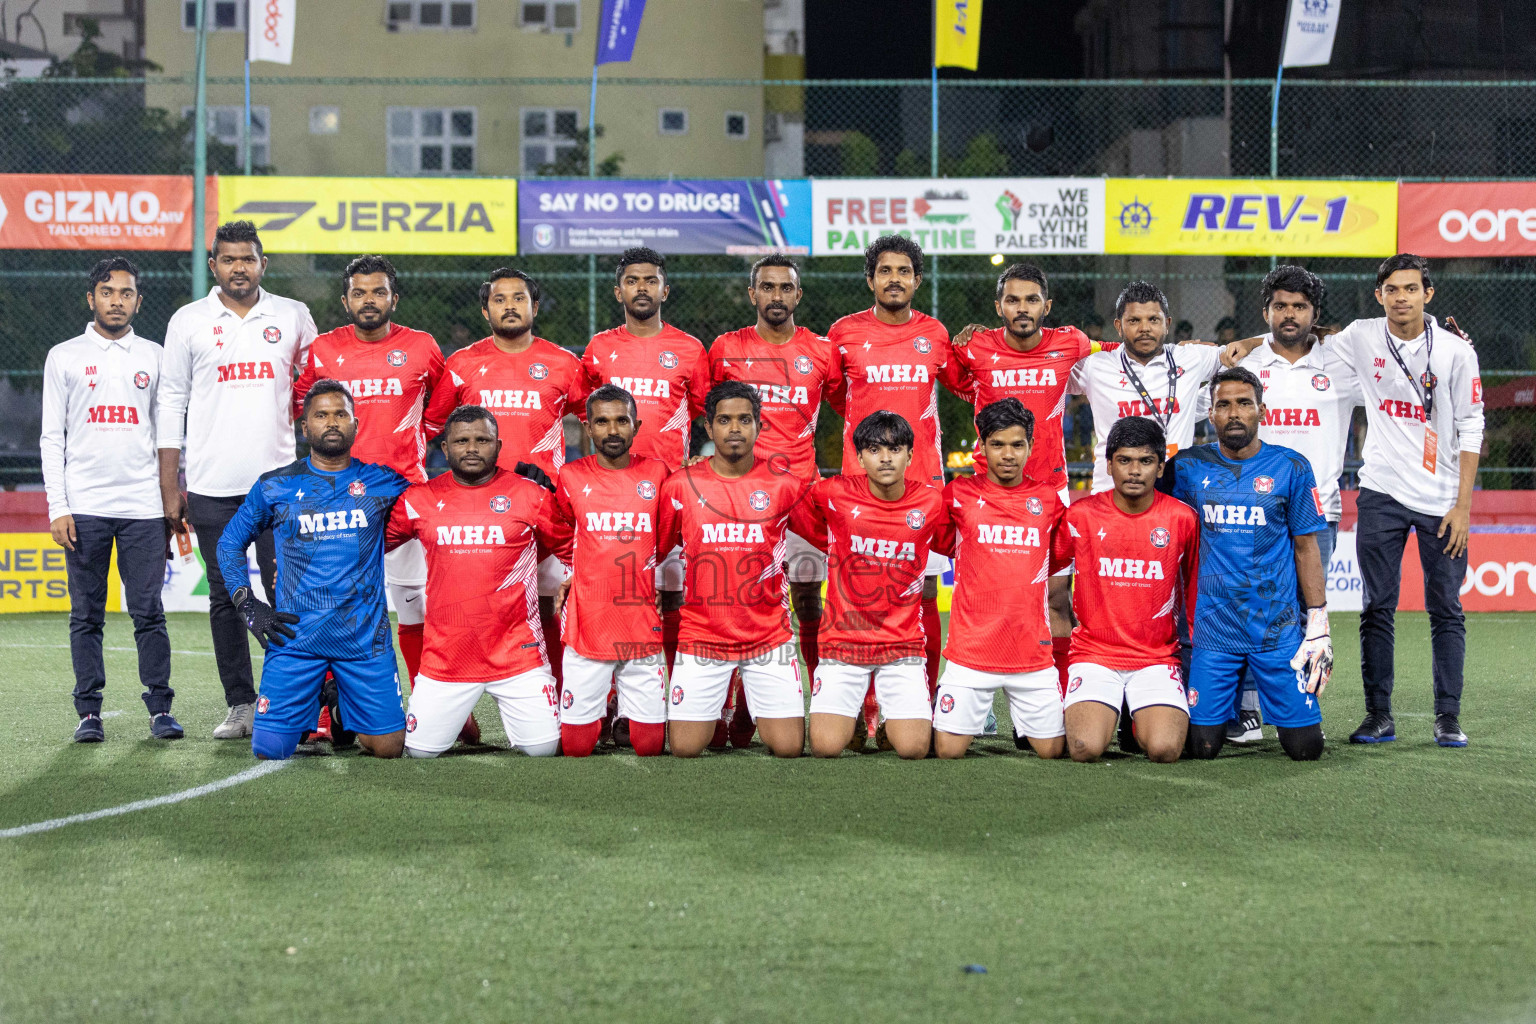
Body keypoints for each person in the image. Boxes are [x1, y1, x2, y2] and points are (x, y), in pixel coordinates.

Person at [1299, 254, 1480, 748]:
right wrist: (1241, 347)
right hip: (1379, 493)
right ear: (1379, 295)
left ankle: (1448, 717)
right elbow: (1303, 342)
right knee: (1376, 606)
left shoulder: (1455, 353)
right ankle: (1379, 715)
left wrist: (1463, 506)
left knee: (1446, 608)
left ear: (1428, 294)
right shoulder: (1360, 335)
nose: (1401, 297)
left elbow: (1472, 426)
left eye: (1411, 288)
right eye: (1392, 289)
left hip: (1443, 501)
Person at [158, 220, 317, 739]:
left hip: (279, 486)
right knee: (226, 596)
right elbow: (171, 402)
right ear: (214, 266)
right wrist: (169, 486)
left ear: (262, 263)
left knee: (286, 591)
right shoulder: (188, 321)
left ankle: (292, 697)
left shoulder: (293, 315)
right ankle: (241, 703)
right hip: (210, 485)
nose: (238, 268)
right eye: (228, 259)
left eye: (247, 258)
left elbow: (317, 395)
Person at [292, 254, 447, 744]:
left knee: (415, 608)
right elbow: (303, 406)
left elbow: (441, 409)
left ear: (393, 298)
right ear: (345, 300)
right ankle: (323, 713)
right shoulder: (323, 350)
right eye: (359, 293)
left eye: (378, 292)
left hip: (402, 501)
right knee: (330, 610)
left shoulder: (422, 347)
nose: (368, 301)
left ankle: (429, 704)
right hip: (336, 504)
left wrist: (407, 449)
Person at [217, 380, 409, 761]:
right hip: (296, 639)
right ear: (305, 428)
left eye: (341, 414)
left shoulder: (384, 482)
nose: (332, 422)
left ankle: (338, 709)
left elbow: (443, 503)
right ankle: (317, 696)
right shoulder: (276, 486)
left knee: (388, 749)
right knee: (270, 749)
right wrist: (247, 604)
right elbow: (228, 544)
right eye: (321, 415)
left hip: (363, 639)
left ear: (356, 425)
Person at [949, 262, 1118, 696]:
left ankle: (1061, 697)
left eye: (1031, 299)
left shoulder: (1071, 342)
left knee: (1056, 597)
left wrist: (1185, 351)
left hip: (1050, 492)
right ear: (998, 306)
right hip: (987, 493)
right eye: (1012, 300)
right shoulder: (976, 347)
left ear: (1047, 305)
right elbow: (951, 377)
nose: (1021, 308)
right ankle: (976, 693)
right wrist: (962, 345)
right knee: (987, 600)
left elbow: (1122, 348)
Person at [423, 267, 583, 695]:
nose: (509, 305)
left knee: (554, 603)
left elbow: (596, 420)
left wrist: (573, 478)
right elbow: (434, 424)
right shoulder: (461, 364)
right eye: (499, 299)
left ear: (535, 306)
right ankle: (453, 707)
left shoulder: (565, 363)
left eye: (519, 298)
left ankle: (563, 699)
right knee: (463, 604)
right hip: (476, 507)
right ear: (484, 310)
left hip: (545, 506)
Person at [826, 235, 968, 713]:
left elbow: (965, 384)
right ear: (870, 280)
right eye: (885, 271)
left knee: (923, 589)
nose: (894, 279)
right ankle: (865, 709)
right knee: (860, 589)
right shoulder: (842, 333)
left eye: (903, 271)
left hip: (923, 484)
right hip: (858, 487)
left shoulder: (936, 334)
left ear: (917, 280)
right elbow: (832, 394)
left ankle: (921, 703)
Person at [1159, 367, 1332, 762]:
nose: (1234, 412)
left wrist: (1318, 623)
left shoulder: (1292, 467)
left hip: (1276, 629)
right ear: (1210, 413)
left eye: (1243, 403)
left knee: (1306, 750)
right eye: (1223, 404)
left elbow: (1307, 548)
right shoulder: (1185, 468)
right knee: (1201, 748)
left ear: (1262, 411)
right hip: (1213, 629)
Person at [41, 257, 180, 743]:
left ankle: (160, 708)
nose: (116, 300)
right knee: (87, 614)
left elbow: (169, 433)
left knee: (149, 611)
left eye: (125, 293)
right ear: (91, 298)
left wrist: (169, 498)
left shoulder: (157, 356)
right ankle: (89, 713)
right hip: (84, 506)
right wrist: (58, 506)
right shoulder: (64, 356)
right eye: (107, 292)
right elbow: (50, 439)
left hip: (143, 506)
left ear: (138, 301)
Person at [1228, 264, 1362, 743]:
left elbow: (1395, 379)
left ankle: (1300, 707)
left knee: (1309, 614)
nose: (1289, 314)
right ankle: (1244, 710)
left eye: (1299, 307)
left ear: (1315, 313)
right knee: (1246, 608)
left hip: (1318, 510)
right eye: (1280, 306)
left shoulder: (1343, 364)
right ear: (1265, 311)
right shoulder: (1241, 364)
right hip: (1251, 511)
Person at [385, 406, 566, 759]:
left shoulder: (532, 496)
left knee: (545, 748)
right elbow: (367, 545)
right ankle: (457, 717)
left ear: (498, 446)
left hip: (517, 657)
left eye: (482, 440)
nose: (472, 448)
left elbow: (572, 545)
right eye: (462, 441)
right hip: (447, 661)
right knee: (419, 753)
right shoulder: (418, 500)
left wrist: (576, 576)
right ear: (445, 448)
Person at [710, 254, 835, 747]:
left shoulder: (822, 352)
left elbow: (845, 403)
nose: (777, 295)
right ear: (753, 294)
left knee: (807, 602)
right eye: (768, 287)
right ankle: (737, 709)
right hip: (741, 500)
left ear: (798, 296)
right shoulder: (726, 348)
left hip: (800, 495)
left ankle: (824, 707)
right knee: (740, 602)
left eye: (786, 287)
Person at [657, 381, 807, 758]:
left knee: (789, 749)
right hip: (703, 635)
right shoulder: (680, 486)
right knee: (685, 749)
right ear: (708, 428)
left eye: (744, 419)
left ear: (760, 426)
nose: (735, 428)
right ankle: (728, 709)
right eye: (724, 420)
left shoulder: (785, 485)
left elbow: (828, 532)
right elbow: (652, 549)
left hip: (768, 637)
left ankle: (746, 712)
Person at [581, 247, 712, 678]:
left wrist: (695, 461)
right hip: (611, 494)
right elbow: (588, 416)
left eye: (651, 280)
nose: (642, 288)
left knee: (672, 593)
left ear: (665, 290)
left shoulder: (690, 349)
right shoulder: (599, 347)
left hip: (670, 492)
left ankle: (671, 692)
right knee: (614, 593)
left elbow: (704, 414)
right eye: (633, 281)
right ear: (618, 290)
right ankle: (611, 697)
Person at [791, 411, 945, 760]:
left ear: (910, 454)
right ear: (859, 457)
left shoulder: (932, 502)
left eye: (895, 449)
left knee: (914, 750)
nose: (886, 458)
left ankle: (894, 718)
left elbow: (957, 541)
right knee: (826, 748)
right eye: (874, 449)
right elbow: (794, 502)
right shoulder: (834, 493)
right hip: (844, 644)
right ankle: (856, 714)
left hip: (902, 648)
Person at [1052, 417, 1199, 763]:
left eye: (1146, 461)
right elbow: (1054, 596)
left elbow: (1194, 597)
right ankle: (1108, 708)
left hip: (1156, 658)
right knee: (1085, 749)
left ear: (1161, 467)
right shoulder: (1080, 516)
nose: (1134, 471)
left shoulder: (1182, 519)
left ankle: (1137, 714)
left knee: (1164, 750)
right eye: (1124, 460)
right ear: (1109, 465)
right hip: (1094, 656)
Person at [931, 399, 1067, 759]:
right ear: (983, 446)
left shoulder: (1048, 500)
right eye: (998, 444)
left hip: (1031, 655)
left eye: (1017, 444)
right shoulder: (958, 495)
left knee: (1053, 751)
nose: (1008, 454)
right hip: (971, 652)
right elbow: (943, 543)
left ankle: (1025, 720)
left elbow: (1060, 555)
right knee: (947, 751)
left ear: (1030, 447)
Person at [549, 385, 670, 758]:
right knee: (575, 748)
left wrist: (648, 577)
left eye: (622, 421)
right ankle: (598, 713)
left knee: (649, 747)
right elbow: (561, 530)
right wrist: (581, 571)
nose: (612, 430)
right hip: (589, 625)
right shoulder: (569, 476)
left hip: (639, 625)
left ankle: (622, 708)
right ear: (588, 428)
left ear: (637, 425)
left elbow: (664, 538)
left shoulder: (658, 473)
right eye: (602, 421)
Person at [1068, 280, 1227, 494]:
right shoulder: (1095, 366)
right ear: (1118, 326)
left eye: (1153, 319)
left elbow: (1244, 358)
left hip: (1175, 494)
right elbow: (1046, 376)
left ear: (1167, 323)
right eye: (1134, 320)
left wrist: (1196, 407)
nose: (1144, 328)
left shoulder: (1190, 357)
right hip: (1111, 497)